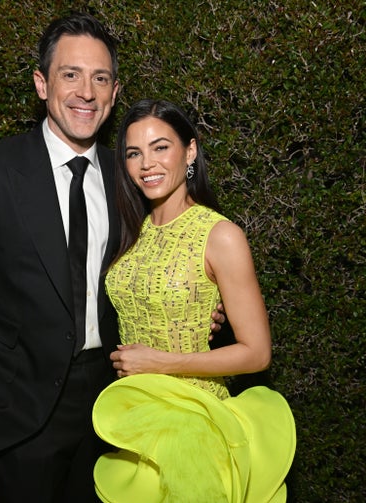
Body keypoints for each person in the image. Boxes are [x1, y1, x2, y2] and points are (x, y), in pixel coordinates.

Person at [0, 14, 225, 502]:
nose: (86, 91)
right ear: (42, 84)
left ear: (114, 91)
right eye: (70, 74)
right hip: (17, 407)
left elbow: (168, 256)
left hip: (117, 399)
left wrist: (204, 301)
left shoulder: (128, 173)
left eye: (100, 78)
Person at [91, 99, 297, 502]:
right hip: (136, 420)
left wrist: (161, 362)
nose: (147, 163)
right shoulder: (132, 232)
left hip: (195, 423)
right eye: (134, 153)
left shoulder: (220, 235)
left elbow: (257, 354)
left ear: (190, 151)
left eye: (160, 147)